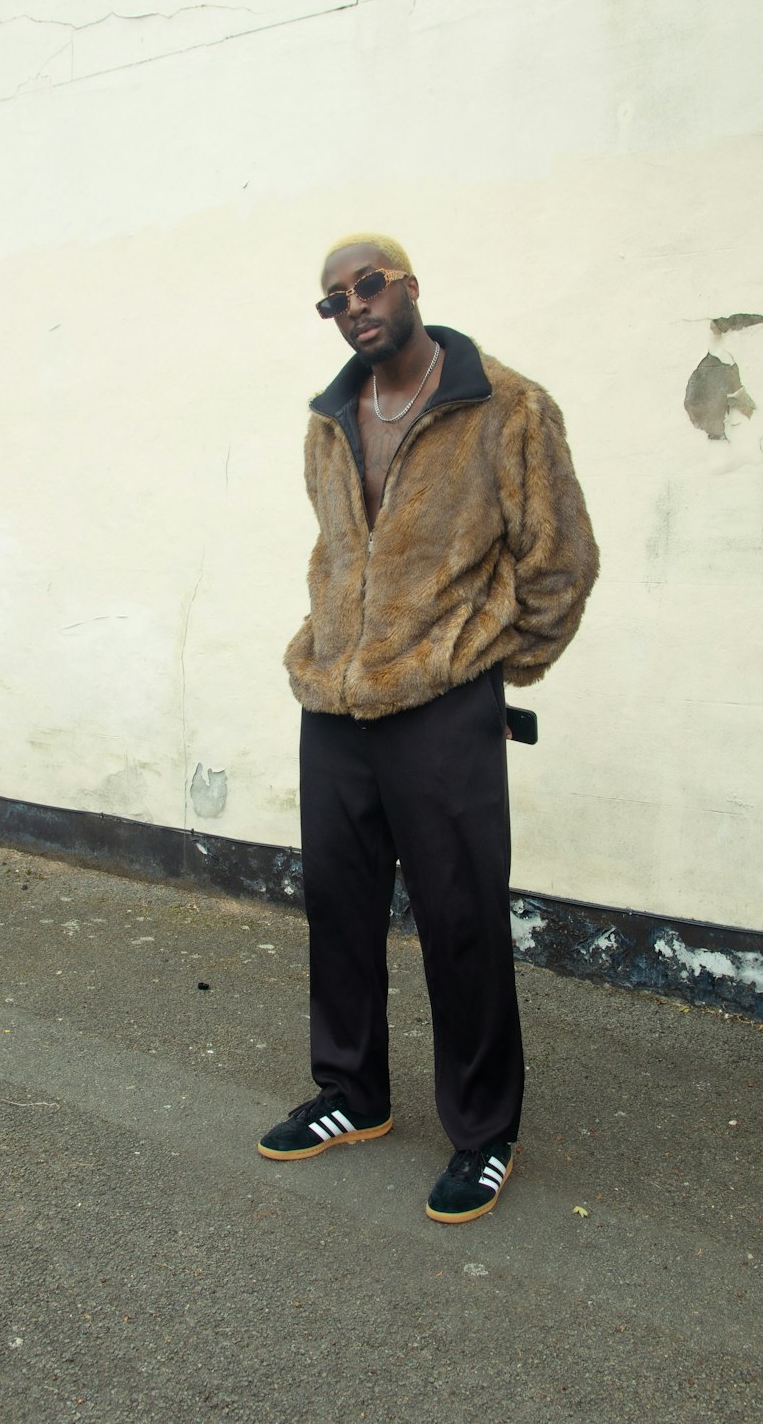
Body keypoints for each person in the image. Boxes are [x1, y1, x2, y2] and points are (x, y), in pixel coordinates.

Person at [258, 234, 599, 1223]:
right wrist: (331, 645)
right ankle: (351, 1095)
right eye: (333, 299)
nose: (353, 305)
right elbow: (336, 552)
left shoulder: (505, 406)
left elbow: (558, 562)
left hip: (442, 701)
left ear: (408, 288)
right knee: (338, 902)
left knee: (459, 919)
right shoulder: (330, 421)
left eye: (368, 285)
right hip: (335, 700)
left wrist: (488, 664)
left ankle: (484, 1132)